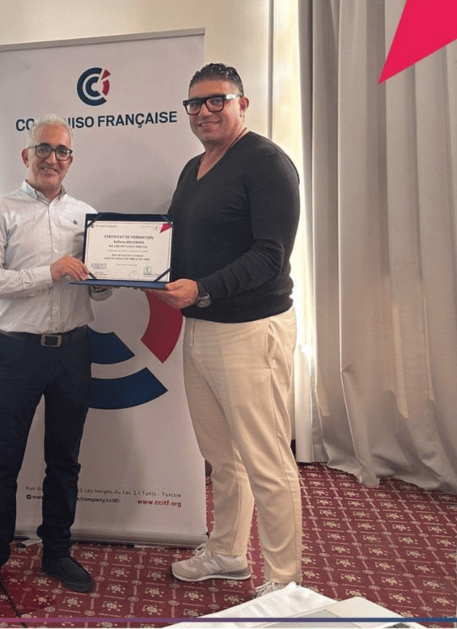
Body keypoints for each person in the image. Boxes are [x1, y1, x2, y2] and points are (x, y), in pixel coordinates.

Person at [149, 63, 302, 597]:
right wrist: (125, 267)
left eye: (217, 100)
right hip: (200, 326)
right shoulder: (193, 168)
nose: (205, 111)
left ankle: (285, 581)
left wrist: (203, 288)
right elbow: (174, 238)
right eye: (195, 103)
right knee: (222, 457)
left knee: (266, 459)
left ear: (242, 103)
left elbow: (270, 256)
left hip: (251, 329)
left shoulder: (267, 164)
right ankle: (229, 553)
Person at [0, 115, 110, 605]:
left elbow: (98, 286)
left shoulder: (87, 215)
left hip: (73, 350)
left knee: (64, 459)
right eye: (43, 149)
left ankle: (56, 551)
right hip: (17, 352)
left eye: (62, 151)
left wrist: (108, 280)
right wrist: (48, 273)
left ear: (71, 160)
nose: (52, 158)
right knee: (3, 459)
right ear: (26, 155)